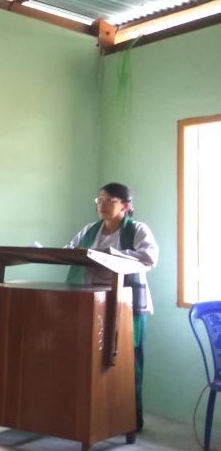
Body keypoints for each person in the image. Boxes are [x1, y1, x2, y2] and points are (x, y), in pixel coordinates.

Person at [65, 182, 158, 432]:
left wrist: (112, 254)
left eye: (109, 201)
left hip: (126, 305)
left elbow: (150, 257)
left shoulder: (138, 230)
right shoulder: (90, 230)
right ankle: (94, 417)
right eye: (100, 200)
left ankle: (130, 421)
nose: (102, 205)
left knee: (127, 361)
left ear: (125, 206)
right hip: (91, 302)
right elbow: (69, 251)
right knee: (91, 360)